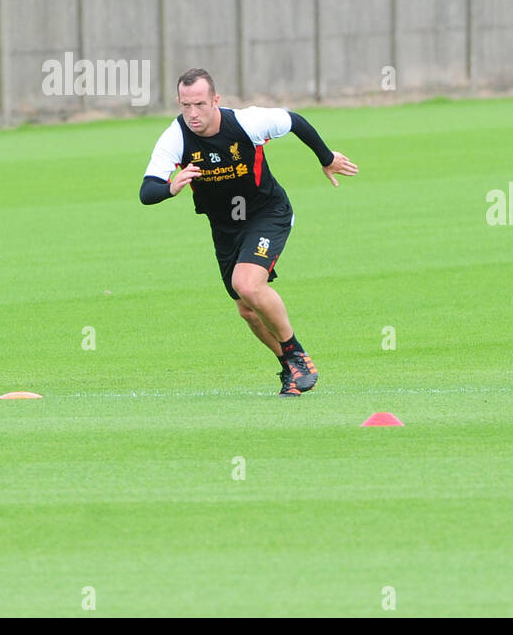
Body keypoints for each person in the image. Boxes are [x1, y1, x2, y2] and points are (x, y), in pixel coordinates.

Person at [139, 69, 358, 397]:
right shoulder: (176, 137)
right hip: (225, 227)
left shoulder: (248, 122)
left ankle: (297, 353)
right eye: (185, 106)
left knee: (246, 283)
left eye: (200, 104)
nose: (193, 113)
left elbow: (294, 120)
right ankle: (290, 369)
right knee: (246, 308)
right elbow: (147, 190)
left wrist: (326, 158)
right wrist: (171, 187)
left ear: (216, 100)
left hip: (266, 214)